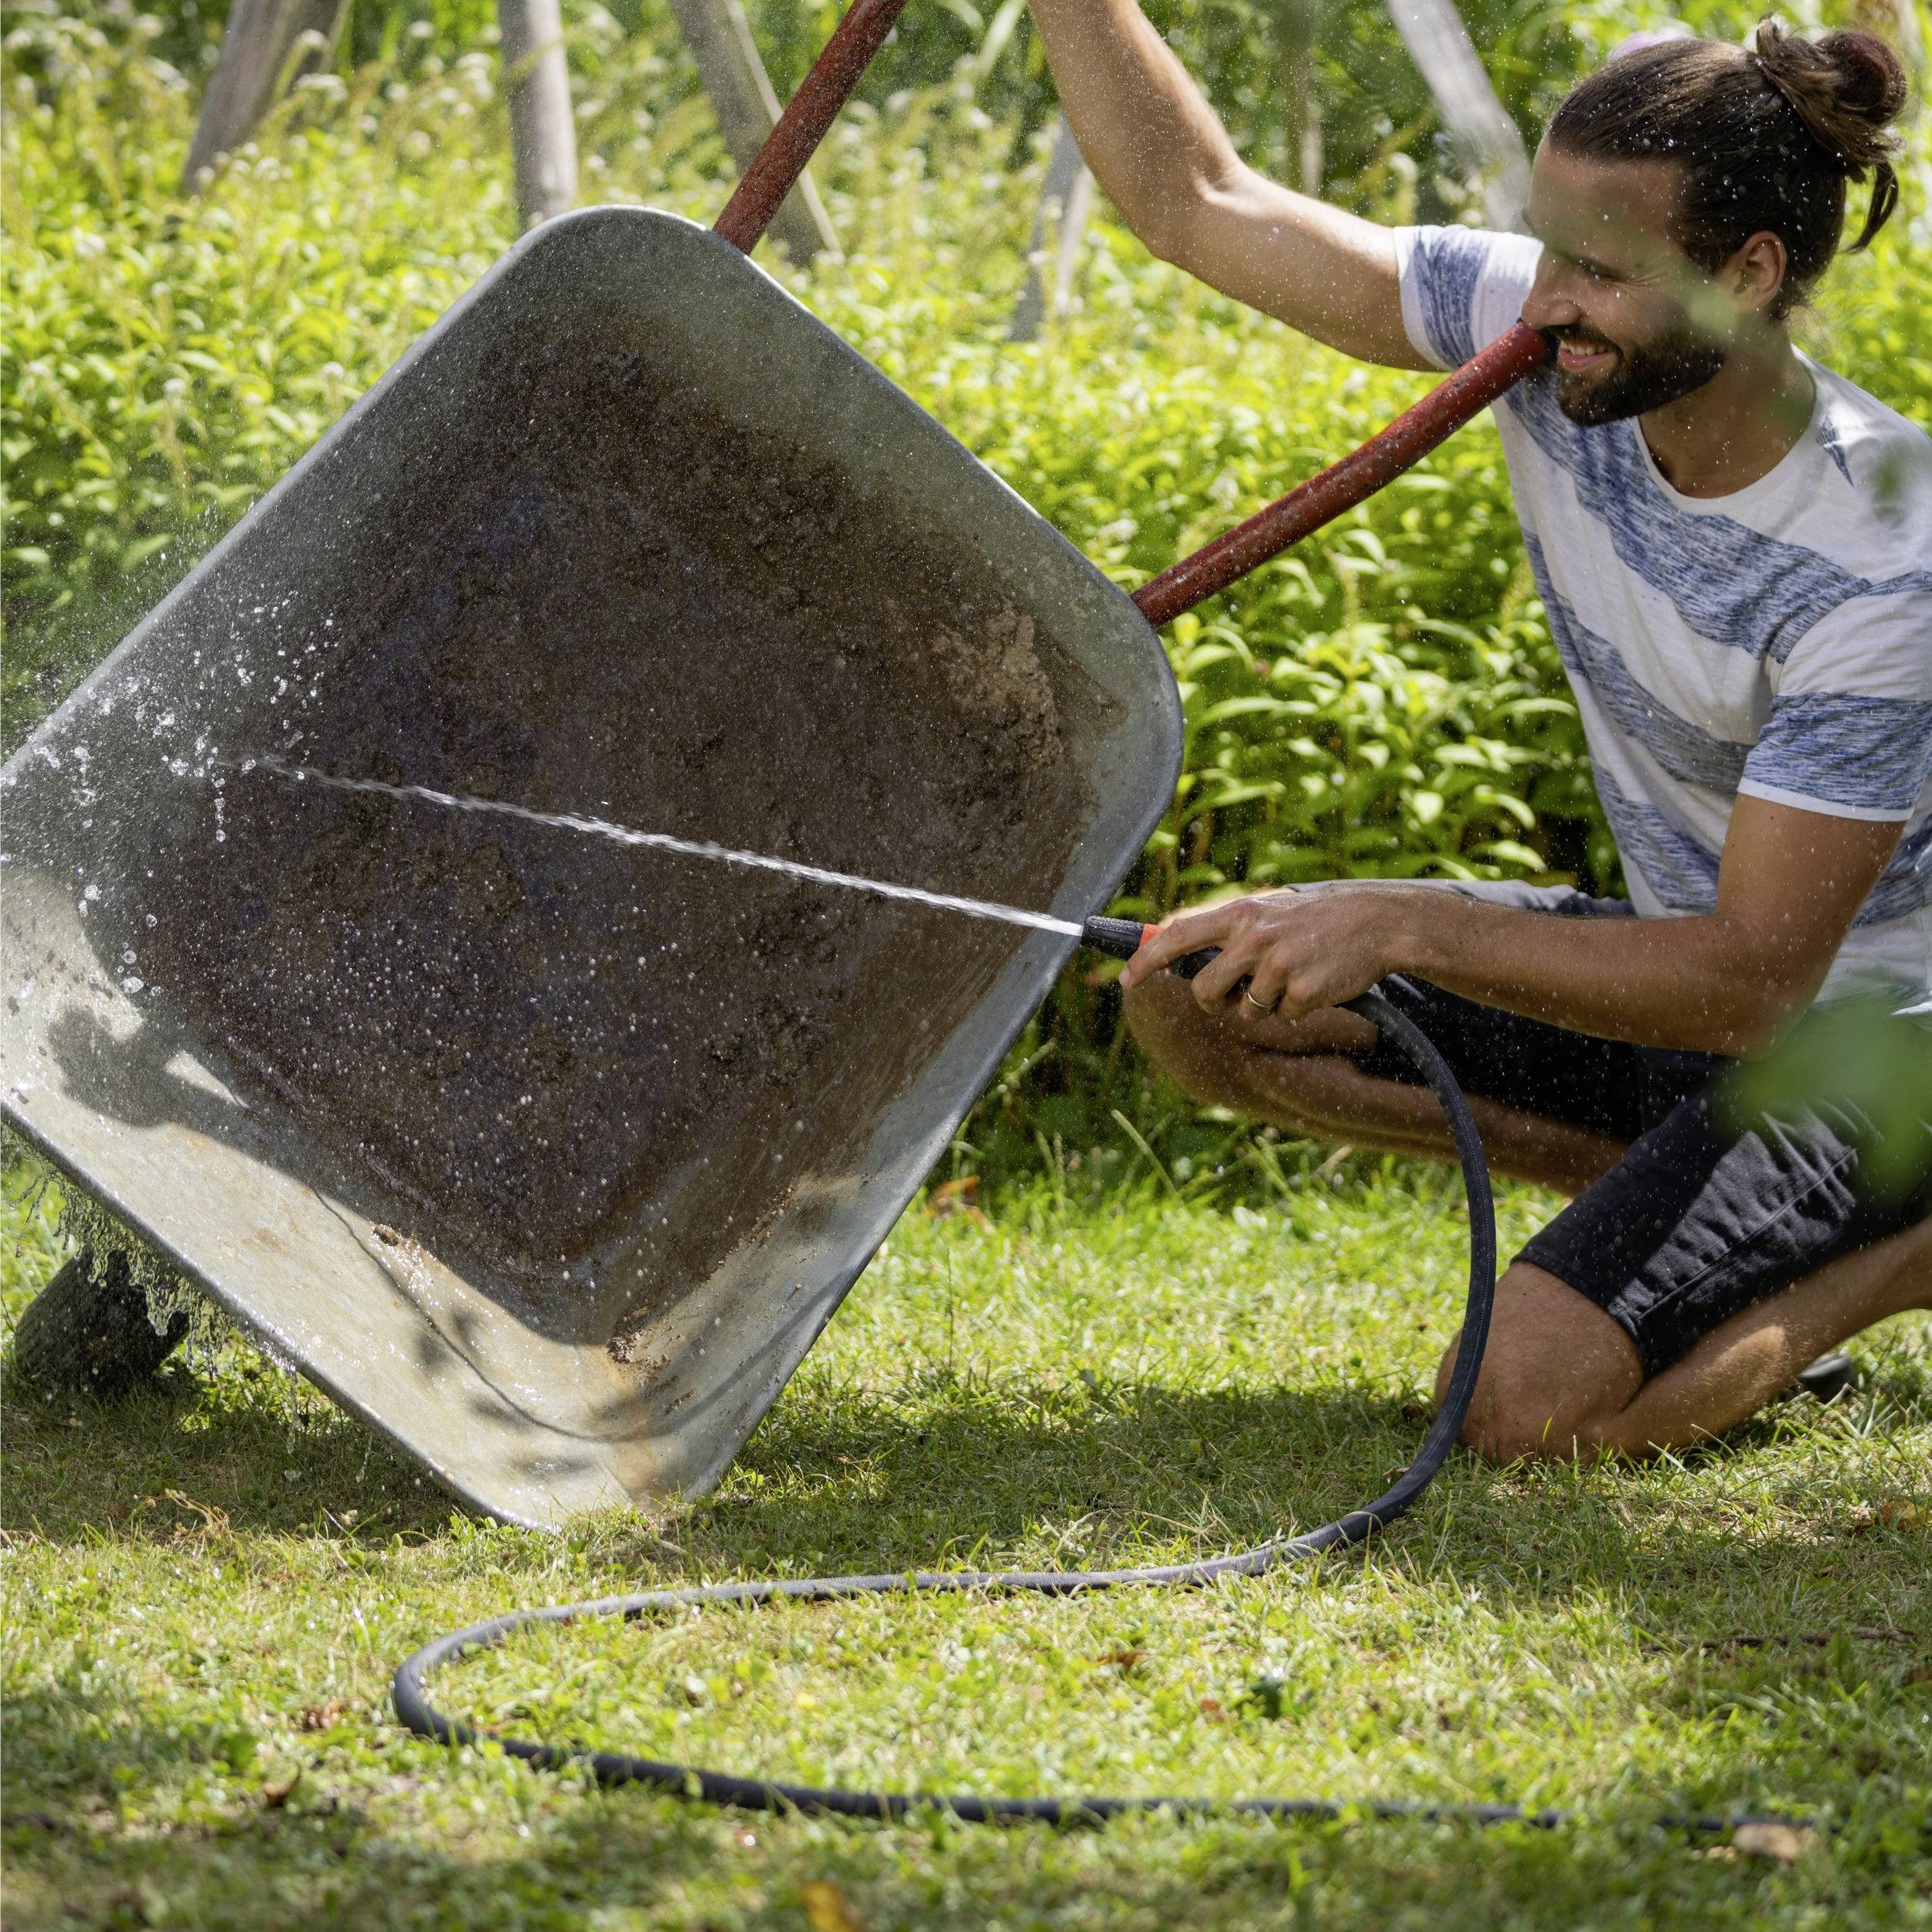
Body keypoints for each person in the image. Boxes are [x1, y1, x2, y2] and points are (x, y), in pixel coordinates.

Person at [1023, 8, 1932, 1459]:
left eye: (1603, 271)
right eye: (1549, 248)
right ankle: (1701, 1237)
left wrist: (1404, 920)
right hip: (1698, 1017)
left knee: (1523, 1415)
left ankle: (1891, 1258)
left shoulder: (1885, 559)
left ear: (1749, 276)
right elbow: (1200, 207)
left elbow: (1758, 985)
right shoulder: (1562, 341)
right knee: (1201, 994)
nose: (1546, 303)